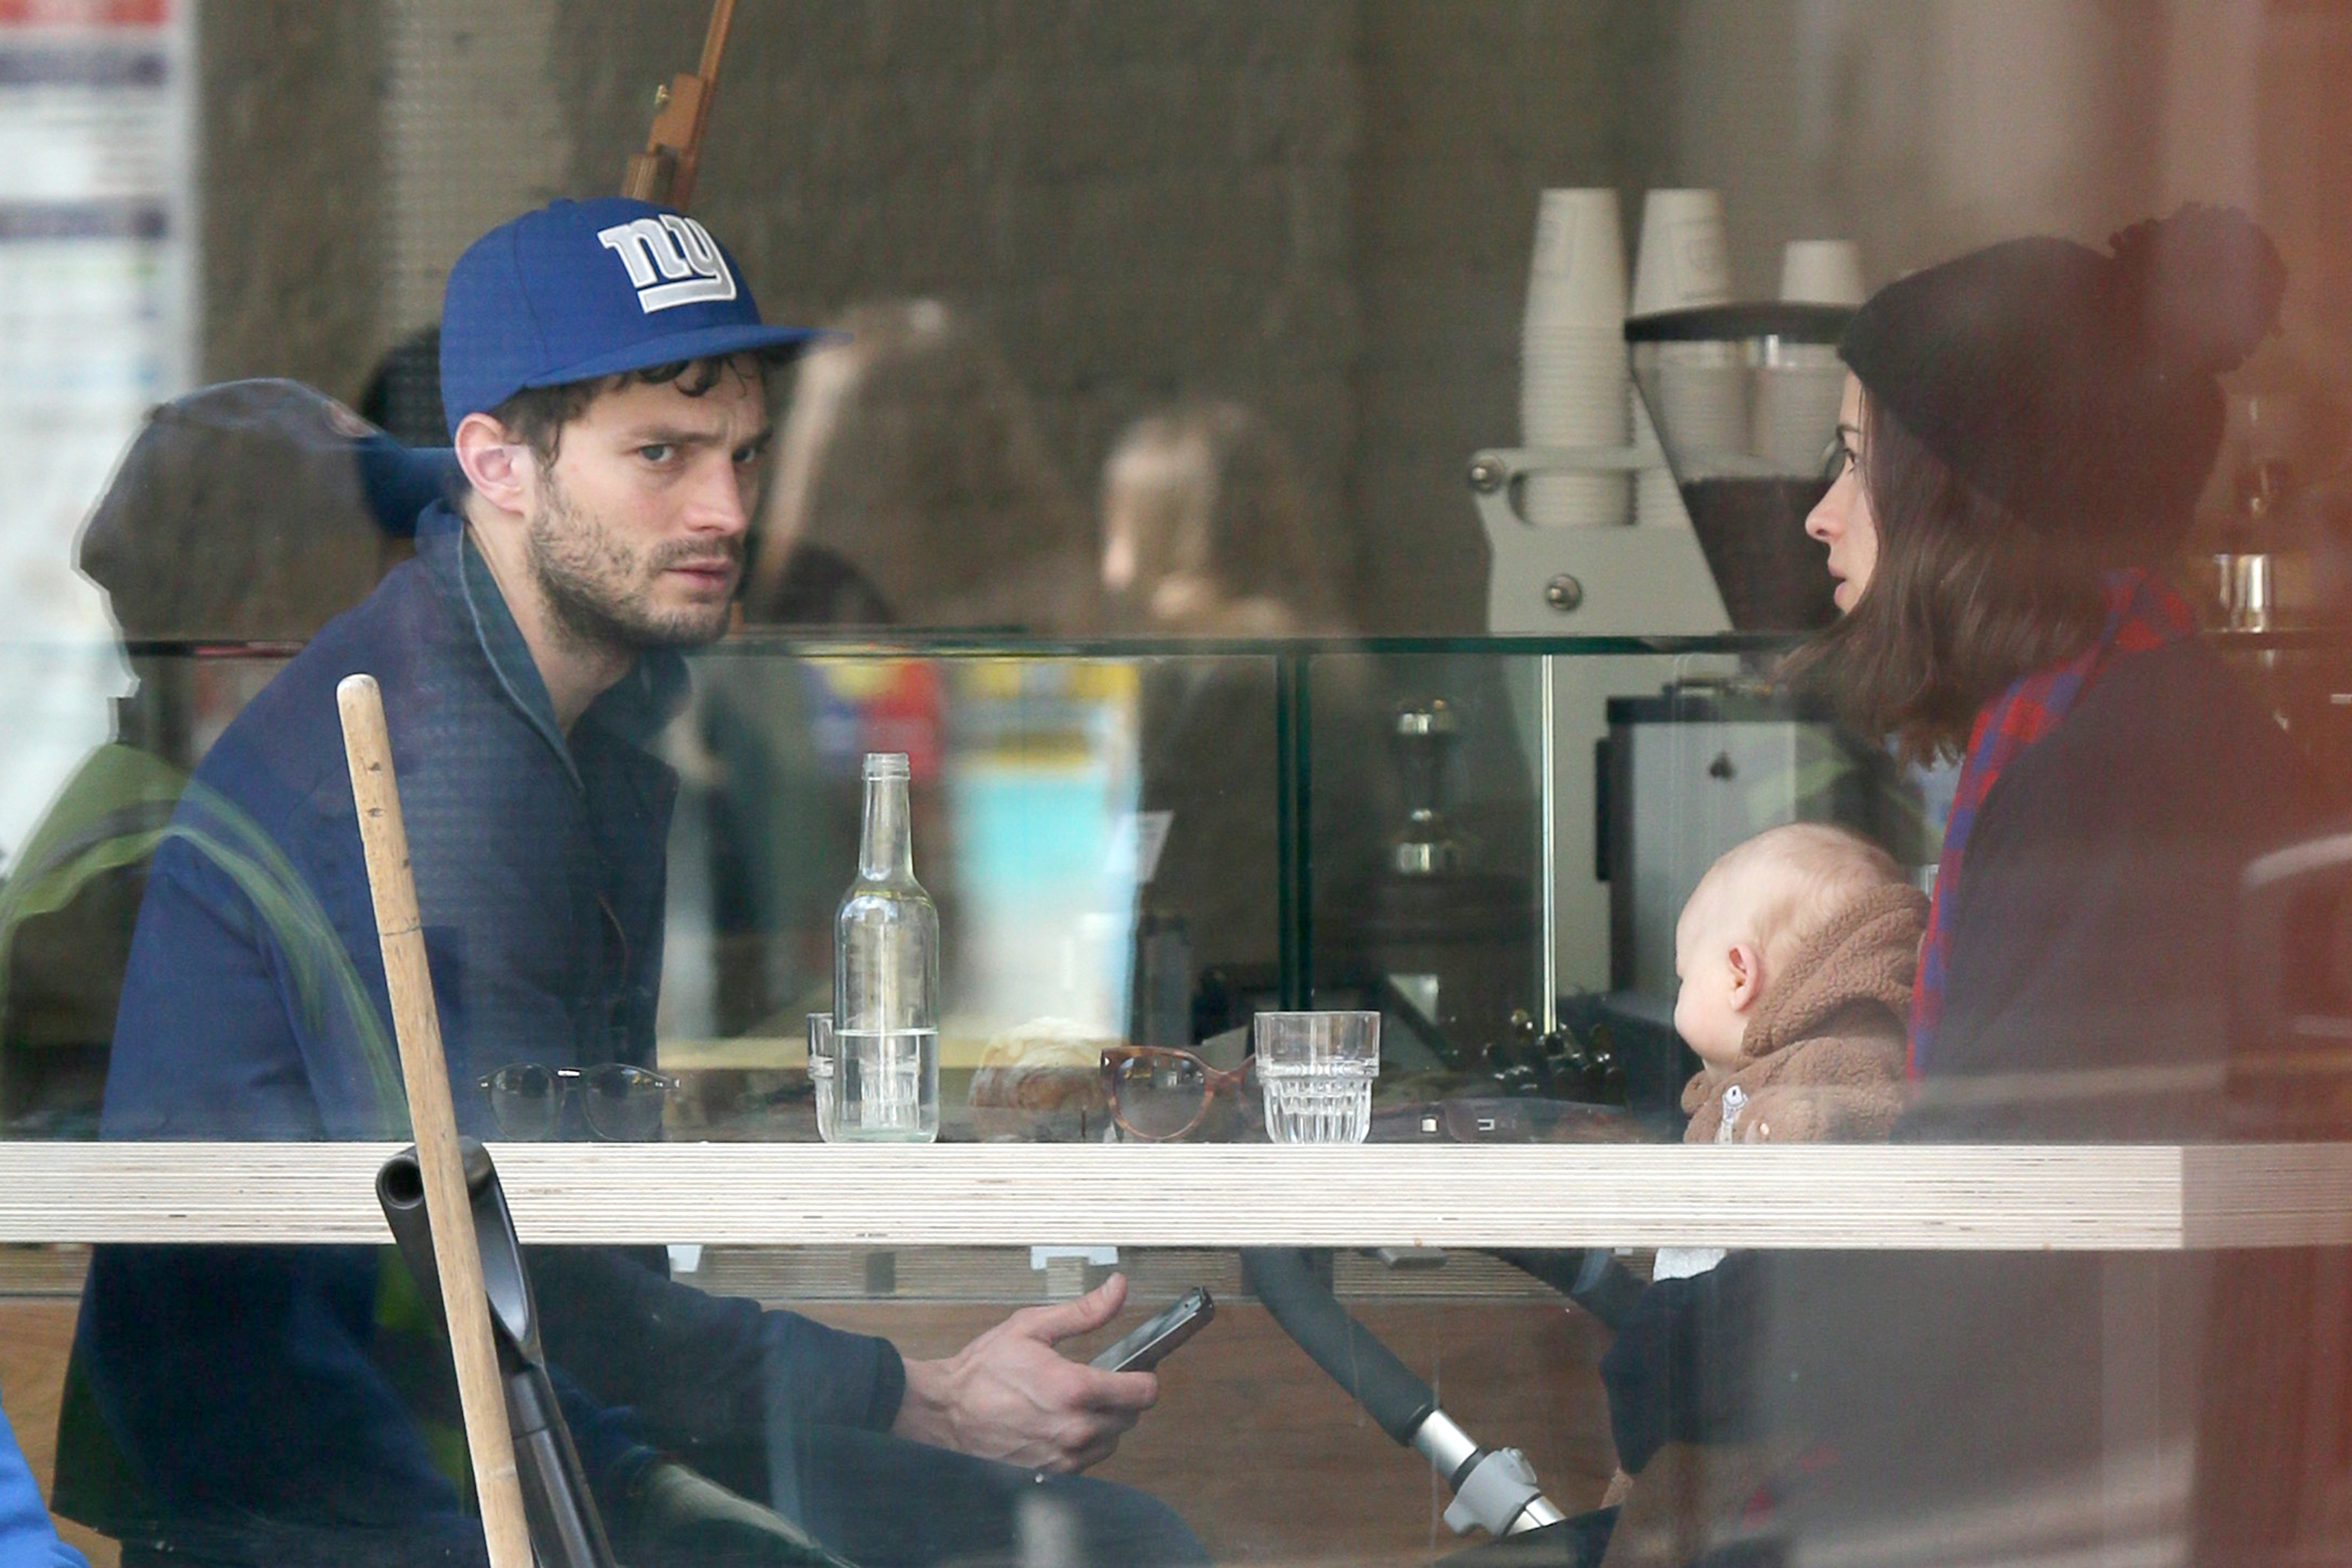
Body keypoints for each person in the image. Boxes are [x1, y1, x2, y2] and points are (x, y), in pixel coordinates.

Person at [59, 198, 1202, 1568]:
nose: (726, 510)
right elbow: (521, 1266)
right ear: (496, 464)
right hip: (349, 1496)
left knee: (1110, 1544)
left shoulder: (569, 705)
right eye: (659, 454)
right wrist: (922, 1395)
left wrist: (897, 1394)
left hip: (518, 1427)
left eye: (744, 453)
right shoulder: (434, 761)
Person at [1547, 207, 2330, 1565]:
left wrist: (1693, 1350)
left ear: (1969, 499)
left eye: (1858, 463)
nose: (1820, 512)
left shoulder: (2113, 784)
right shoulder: (2120, 735)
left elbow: (2001, 1220)